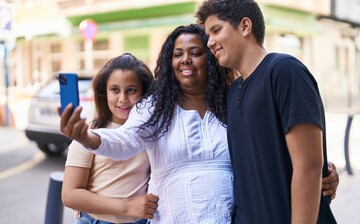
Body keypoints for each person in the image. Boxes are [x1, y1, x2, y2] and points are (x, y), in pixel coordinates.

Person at [59, 24, 339, 223]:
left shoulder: (232, 102)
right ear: (170, 62)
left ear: (211, 58)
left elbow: (271, 145)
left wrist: (321, 173)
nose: (186, 60)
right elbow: (126, 140)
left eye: (195, 52)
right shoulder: (154, 106)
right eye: (178, 53)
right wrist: (89, 138)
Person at [195, 0, 337, 223]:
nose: (210, 41)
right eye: (208, 35)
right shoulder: (232, 93)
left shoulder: (284, 71)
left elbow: (309, 166)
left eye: (216, 30)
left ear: (244, 26)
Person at [61, 53, 159, 224]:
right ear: (104, 93)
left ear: (144, 92)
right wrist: (127, 206)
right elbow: (70, 194)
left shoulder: (152, 130)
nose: (122, 99)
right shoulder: (90, 133)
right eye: (115, 90)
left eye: (131, 90)